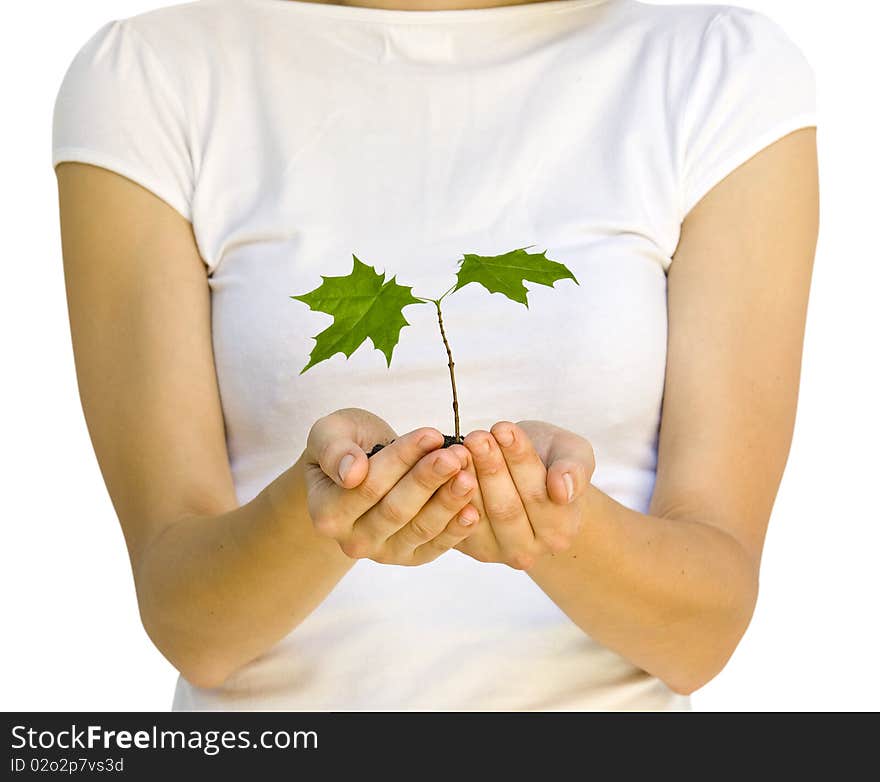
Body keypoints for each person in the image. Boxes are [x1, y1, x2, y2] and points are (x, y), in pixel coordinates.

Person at [52, 0, 819, 710]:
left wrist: (558, 524)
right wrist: (316, 516)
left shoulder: (717, 69)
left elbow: (703, 634)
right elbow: (191, 627)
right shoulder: (148, 75)